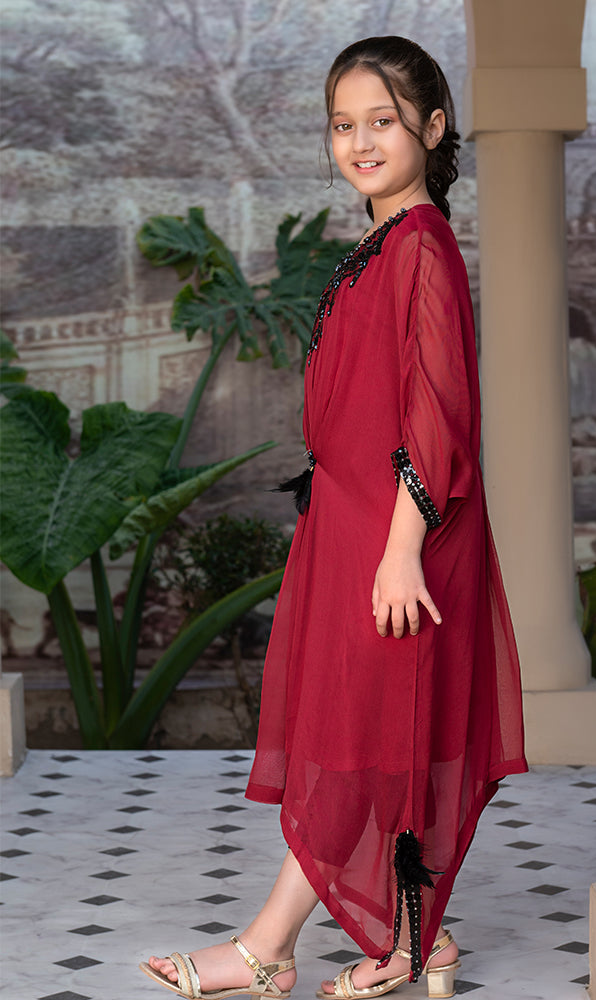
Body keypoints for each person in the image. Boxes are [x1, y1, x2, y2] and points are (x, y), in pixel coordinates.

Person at [140, 35, 527, 1000]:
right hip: (354, 526)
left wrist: (402, 550)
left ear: (432, 127)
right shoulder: (381, 243)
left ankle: (268, 948)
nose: (359, 142)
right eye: (343, 124)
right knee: (374, 736)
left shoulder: (421, 245)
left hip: (400, 535)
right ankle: (417, 940)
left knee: (364, 739)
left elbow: (437, 413)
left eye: (382, 121)